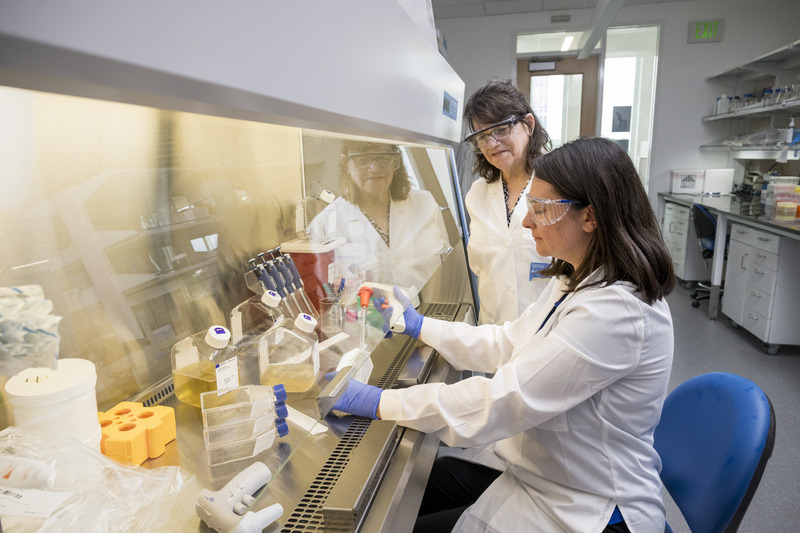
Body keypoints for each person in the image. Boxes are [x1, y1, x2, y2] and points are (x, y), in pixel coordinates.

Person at [327, 137, 676, 532]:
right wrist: (422, 326)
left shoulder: (617, 312)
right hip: (547, 478)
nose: (527, 222)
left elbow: (503, 400)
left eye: (541, 210)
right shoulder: (576, 279)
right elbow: (509, 342)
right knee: (434, 481)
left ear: (590, 218)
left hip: (591, 508)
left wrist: (378, 401)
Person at [462, 78, 553, 324]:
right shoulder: (477, 195)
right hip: (492, 334)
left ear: (529, 124)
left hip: (547, 334)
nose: (491, 144)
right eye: (482, 136)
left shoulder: (559, 187)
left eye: (501, 129)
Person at [307, 140, 450, 291]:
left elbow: (446, 266)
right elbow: (322, 294)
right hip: (368, 314)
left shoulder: (425, 204)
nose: (375, 169)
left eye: (384, 158)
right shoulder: (325, 223)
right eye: (363, 160)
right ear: (346, 163)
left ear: (396, 161)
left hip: (427, 312)